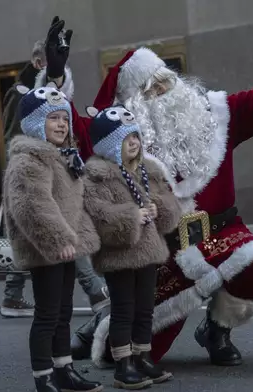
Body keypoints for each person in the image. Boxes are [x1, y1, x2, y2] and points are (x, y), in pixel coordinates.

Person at [58, 25, 253, 367]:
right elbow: (73, 134)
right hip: (166, 257)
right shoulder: (123, 142)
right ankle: (109, 319)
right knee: (130, 353)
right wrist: (54, 81)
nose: (162, 91)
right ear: (133, 104)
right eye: (150, 88)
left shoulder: (217, 114)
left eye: (164, 80)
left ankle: (217, 328)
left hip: (223, 234)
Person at [0, 24, 109, 318]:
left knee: (56, 224)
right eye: (49, 62)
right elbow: (16, 133)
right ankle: (94, 290)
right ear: (38, 63)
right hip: (33, 166)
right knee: (47, 224)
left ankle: (13, 294)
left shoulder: (49, 98)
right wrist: (28, 162)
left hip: (56, 162)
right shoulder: (20, 95)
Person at [3, 83, 103, 392]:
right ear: (35, 123)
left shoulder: (63, 156)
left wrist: (80, 236)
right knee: (47, 314)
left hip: (66, 246)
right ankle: (43, 377)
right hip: (44, 247)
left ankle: (64, 370)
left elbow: (76, 201)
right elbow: (33, 206)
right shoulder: (29, 159)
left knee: (63, 312)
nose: (61, 124)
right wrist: (59, 239)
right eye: (53, 118)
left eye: (64, 118)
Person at [83, 105, 181, 389]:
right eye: (126, 139)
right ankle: (122, 363)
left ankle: (142, 356)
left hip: (148, 250)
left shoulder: (148, 170)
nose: (134, 143)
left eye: (135, 136)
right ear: (111, 145)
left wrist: (158, 207)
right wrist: (130, 216)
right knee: (124, 309)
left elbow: (169, 203)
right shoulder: (97, 176)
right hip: (119, 254)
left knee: (145, 308)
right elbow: (98, 213)